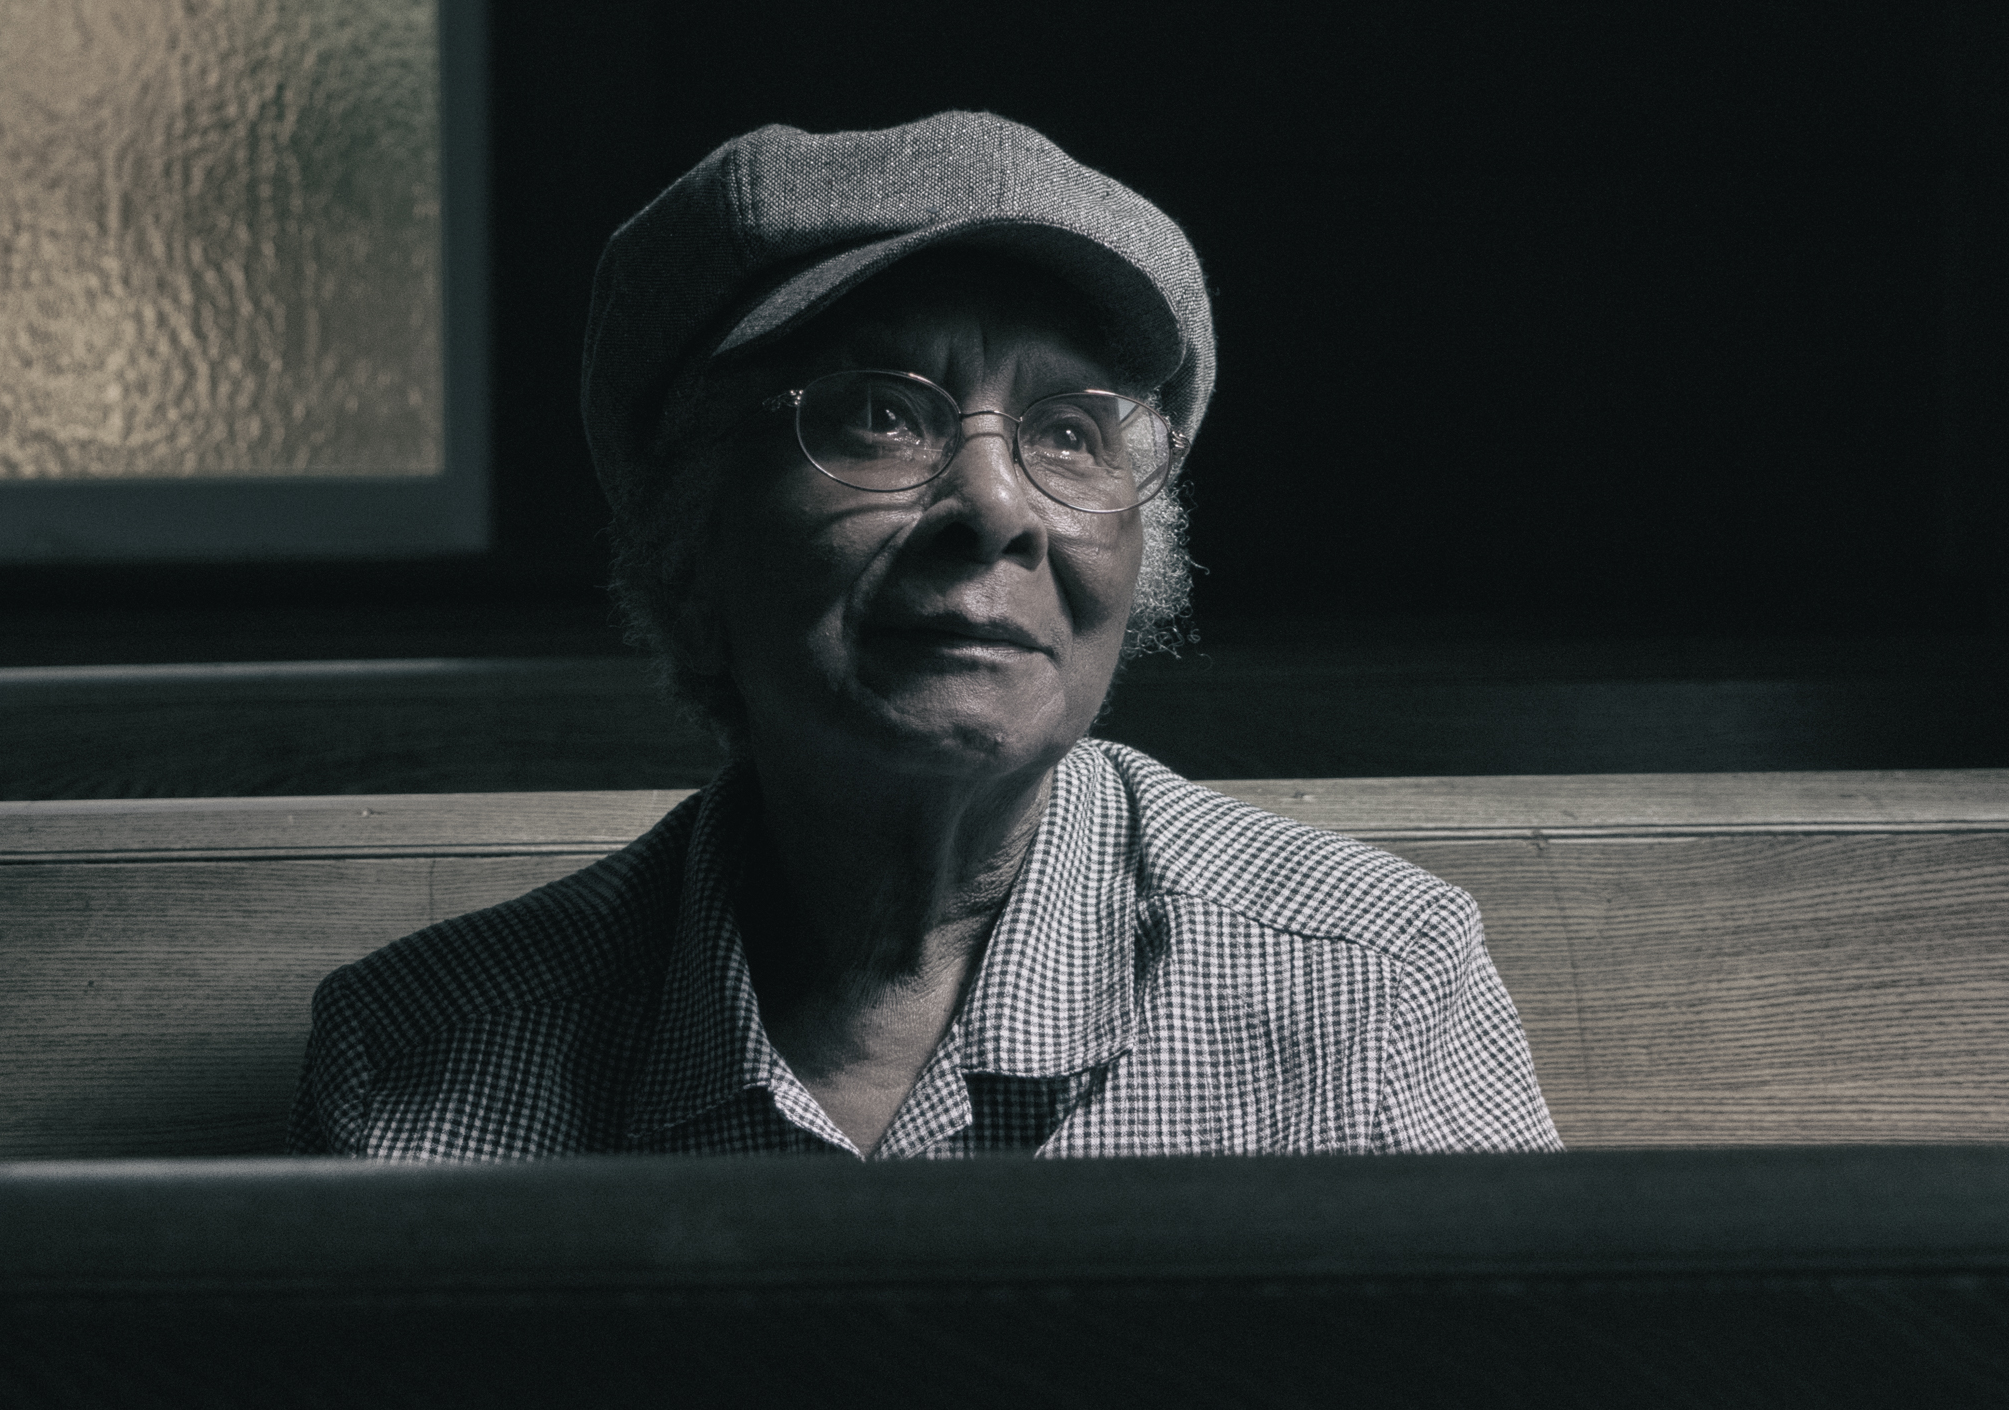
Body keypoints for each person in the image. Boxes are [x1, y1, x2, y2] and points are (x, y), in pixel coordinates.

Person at [289, 111, 1560, 1160]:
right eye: (882, 417)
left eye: (1070, 432)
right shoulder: (417, 1062)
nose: (997, 507)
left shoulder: (1373, 988)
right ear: (689, 544)